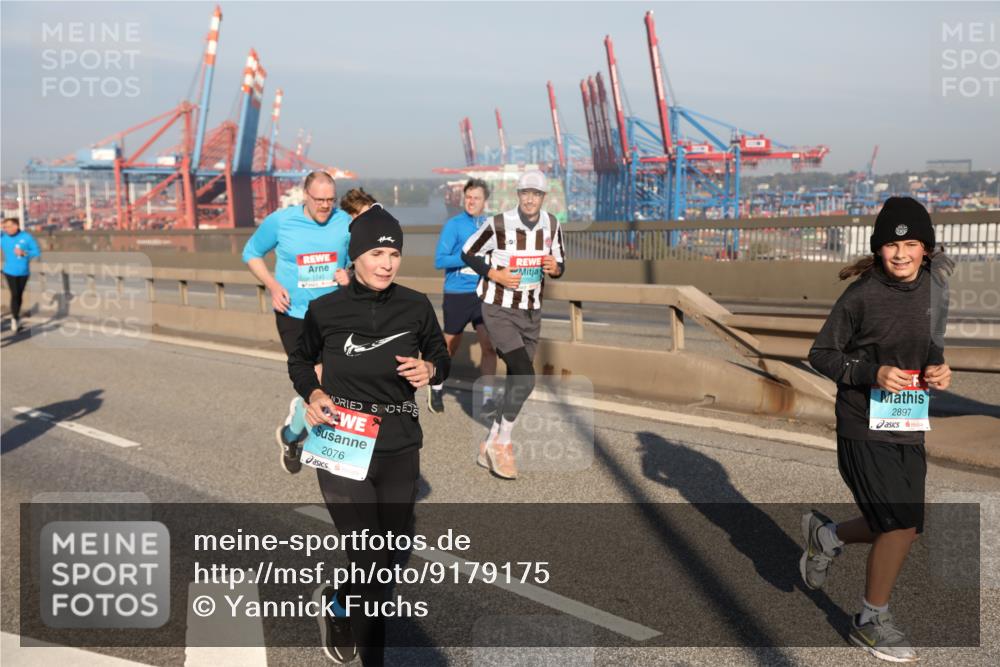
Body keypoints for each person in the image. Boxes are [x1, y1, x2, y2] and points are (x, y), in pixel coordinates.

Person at [287, 207, 449, 665]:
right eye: (377, 252)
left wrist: (432, 368)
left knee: (386, 554)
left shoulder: (415, 305)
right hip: (342, 440)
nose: (387, 263)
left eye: (394, 253)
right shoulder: (325, 310)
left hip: (400, 444)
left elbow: (440, 354)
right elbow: (299, 361)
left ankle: (338, 599)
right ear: (355, 257)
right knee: (370, 558)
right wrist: (314, 391)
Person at [803, 196, 952, 663]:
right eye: (891, 244)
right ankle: (870, 620)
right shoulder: (861, 295)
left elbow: (930, 346)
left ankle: (828, 537)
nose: (901, 253)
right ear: (878, 249)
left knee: (905, 528)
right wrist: (871, 373)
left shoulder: (936, 288)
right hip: (861, 420)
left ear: (926, 248)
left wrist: (938, 369)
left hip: (908, 417)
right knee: (900, 521)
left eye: (910, 244)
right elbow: (822, 354)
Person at [242, 171, 352, 475]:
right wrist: (272, 285)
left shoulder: (345, 222)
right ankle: (323, 452)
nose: (325, 206)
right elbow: (251, 253)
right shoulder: (281, 221)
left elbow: (361, 261)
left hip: (333, 315)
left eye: (330, 200)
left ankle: (291, 434)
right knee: (318, 381)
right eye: (319, 200)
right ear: (305, 195)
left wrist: (350, 274)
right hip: (294, 314)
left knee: (332, 382)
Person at [460, 170, 565, 479]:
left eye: (536, 194)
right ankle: (504, 444)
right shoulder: (498, 224)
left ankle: (489, 442)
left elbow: (560, 264)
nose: (530, 199)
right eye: (525, 193)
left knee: (518, 381)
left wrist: (555, 268)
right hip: (498, 309)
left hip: (532, 312)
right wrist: (495, 274)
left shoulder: (553, 225)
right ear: (518, 195)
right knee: (526, 377)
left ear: (544, 198)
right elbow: (467, 253)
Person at [429, 178, 499, 416]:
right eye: (468, 197)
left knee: (490, 346)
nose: (471, 201)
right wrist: (471, 257)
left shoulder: (492, 225)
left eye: (476, 198)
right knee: (449, 347)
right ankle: (437, 386)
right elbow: (440, 260)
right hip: (457, 294)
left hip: (483, 293)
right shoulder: (454, 225)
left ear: (484, 201)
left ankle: (488, 399)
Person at [1, 217, 41, 334]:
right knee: (15, 294)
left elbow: (37, 252)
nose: (6, 229)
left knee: (19, 295)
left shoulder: (26, 237)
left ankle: (16, 316)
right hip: (9, 271)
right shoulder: (3, 238)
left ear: (16, 226)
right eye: (5, 227)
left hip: (23, 272)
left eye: (8, 226)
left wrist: (24, 253)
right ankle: (14, 319)